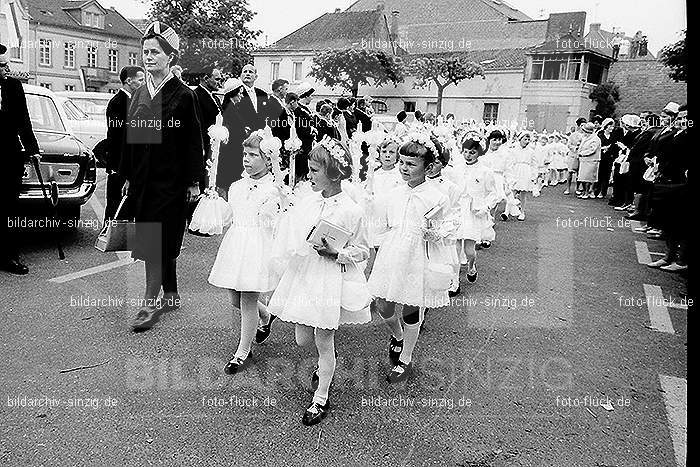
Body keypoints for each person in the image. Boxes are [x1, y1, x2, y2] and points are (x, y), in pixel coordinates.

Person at [268, 136, 370, 426]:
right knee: (302, 339)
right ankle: (327, 357)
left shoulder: (352, 210)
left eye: (314, 170)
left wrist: (338, 252)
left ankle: (321, 397)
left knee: (323, 339)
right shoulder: (308, 201)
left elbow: (364, 250)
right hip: (305, 274)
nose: (308, 175)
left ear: (334, 172)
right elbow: (293, 229)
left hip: (329, 277)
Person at [119, 21, 204, 331]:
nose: (148, 57)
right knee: (156, 236)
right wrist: (127, 175)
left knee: (157, 239)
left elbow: (194, 141)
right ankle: (170, 293)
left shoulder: (183, 95)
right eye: (145, 52)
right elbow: (132, 138)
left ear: (171, 57)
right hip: (142, 179)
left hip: (171, 180)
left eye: (155, 52)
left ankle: (149, 302)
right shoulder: (139, 92)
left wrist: (194, 181)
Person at [368, 134, 452, 384]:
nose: (404, 168)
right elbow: (380, 227)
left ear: (428, 167)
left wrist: (435, 233)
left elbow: (446, 229)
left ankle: (405, 358)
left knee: (411, 308)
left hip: (418, 256)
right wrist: (376, 252)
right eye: (402, 162)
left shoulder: (437, 197)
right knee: (383, 306)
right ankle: (397, 335)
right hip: (392, 253)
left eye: (411, 164)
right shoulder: (392, 194)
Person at [208, 131, 284, 374]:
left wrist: (278, 208)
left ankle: (242, 351)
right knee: (234, 298)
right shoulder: (236, 186)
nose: (247, 159)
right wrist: (213, 204)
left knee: (248, 299)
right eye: (245, 154)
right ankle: (267, 315)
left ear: (268, 160)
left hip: (257, 247)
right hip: (236, 243)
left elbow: (279, 222)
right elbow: (231, 215)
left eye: (253, 155)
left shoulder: (274, 189)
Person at [0, 44, 40, 275]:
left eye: (7, 64)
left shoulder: (14, 87)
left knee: (10, 209)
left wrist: (32, 147)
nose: (7, 68)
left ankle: (10, 256)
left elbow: (23, 119)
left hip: (9, 157)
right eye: (3, 65)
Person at [217, 64, 269, 191]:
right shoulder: (235, 97)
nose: (247, 74)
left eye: (251, 72)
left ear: (256, 76)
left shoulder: (261, 93)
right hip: (239, 144)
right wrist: (245, 130)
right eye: (244, 71)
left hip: (256, 139)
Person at [105, 66, 145, 221]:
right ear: (129, 80)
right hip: (120, 164)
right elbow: (117, 137)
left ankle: (125, 239)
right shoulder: (118, 103)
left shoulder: (134, 101)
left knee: (128, 206)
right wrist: (117, 167)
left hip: (130, 163)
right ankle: (112, 239)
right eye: (140, 80)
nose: (143, 83)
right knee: (117, 205)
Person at [455, 137, 497, 279]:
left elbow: (493, 193)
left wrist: (485, 207)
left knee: (469, 250)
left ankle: (471, 265)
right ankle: (454, 281)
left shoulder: (485, 171)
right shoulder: (457, 168)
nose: (468, 155)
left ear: (478, 153)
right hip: (458, 210)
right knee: (455, 247)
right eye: (465, 152)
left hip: (473, 212)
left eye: (472, 152)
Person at [194, 67, 223, 191]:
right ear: (206, 78)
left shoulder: (215, 97)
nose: (220, 82)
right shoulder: (196, 96)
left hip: (214, 147)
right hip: (204, 147)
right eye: (217, 79)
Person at [609, 114, 642, 208]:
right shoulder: (629, 133)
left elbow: (633, 148)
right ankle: (619, 198)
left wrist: (624, 147)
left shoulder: (637, 134)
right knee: (620, 179)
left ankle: (625, 201)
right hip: (622, 158)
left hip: (629, 159)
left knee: (626, 181)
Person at [506, 131, 537, 220]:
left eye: (528, 139)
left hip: (526, 172)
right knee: (512, 192)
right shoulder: (513, 150)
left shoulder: (531, 151)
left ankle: (522, 212)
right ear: (520, 139)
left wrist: (533, 175)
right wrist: (510, 174)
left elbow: (534, 164)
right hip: (516, 170)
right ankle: (507, 212)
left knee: (523, 194)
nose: (527, 141)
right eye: (525, 139)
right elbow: (510, 162)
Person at [294, 83, 317, 181]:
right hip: (302, 144)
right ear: (306, 96)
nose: (312, 98)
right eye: (310, 96)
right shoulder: (298, 109)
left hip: (308, 144)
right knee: (301, 171)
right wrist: (311, 129)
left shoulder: (305, 109)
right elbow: (300, 127)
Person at [576, 122, 602, 198]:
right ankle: (584, 192)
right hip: (584, 160)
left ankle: (587, 192)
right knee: (582, 177)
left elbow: (592, 149)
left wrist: (582, 153)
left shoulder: (596, 139)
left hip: (591, 160)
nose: (584, 133)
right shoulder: (585, 138)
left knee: (588, 178)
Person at [595, 118, 618, 198]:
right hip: (600, 157)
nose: (612, 128)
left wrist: (610, 149)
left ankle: (603, 191)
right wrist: (603, 148)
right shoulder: (600, 134)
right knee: (599, 174)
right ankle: (596, 190)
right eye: (610, 126)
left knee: (606, 175)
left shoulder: (614, 135)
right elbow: (596, 145)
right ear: (606, 126)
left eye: (613, 126)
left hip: (609, 157)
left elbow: (615, 145)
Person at [564, 117, 587, 195]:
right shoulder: (573, 135)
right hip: (573, 155)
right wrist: (575, 148)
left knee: (579, 173)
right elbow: (569, 145)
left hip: (581, 156)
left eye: (584, 125)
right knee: (570, 172)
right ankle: (568, 188)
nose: (583, 127)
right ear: (579, 126)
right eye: (582, 125)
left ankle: (577, 188)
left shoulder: (586, 136)